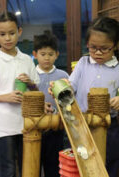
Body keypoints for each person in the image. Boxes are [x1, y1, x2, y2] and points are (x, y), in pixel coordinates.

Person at [50, 16, 119, 177]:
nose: (98, 52)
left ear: (115, 45)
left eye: (104, 48)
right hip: (80, 123)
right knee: (79, 162)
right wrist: (61, 87)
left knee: (108, 162)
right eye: (93, 47)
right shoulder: (83, 63)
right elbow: (71, 87)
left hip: (108, 125)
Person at [0, 11, 40, 177]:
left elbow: (36, 90)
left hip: (26, 122)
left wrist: (30, 82)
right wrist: (5, 97)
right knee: (7, 169)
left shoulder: (27, 59)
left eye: (12, 33)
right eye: (2, 34)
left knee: (27, 165)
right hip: (4, 125)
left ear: (19, 32)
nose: (8, 38)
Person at [33, 32, 69, 177]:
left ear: (57, 54)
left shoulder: (63, 76)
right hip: (35, 127)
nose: (47, 58)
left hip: (56, 127)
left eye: (50, 54)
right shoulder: (30, 76)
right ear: (35, 54)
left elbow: (68, 101)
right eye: (43, 54)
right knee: (34, 165)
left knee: (53, 166)